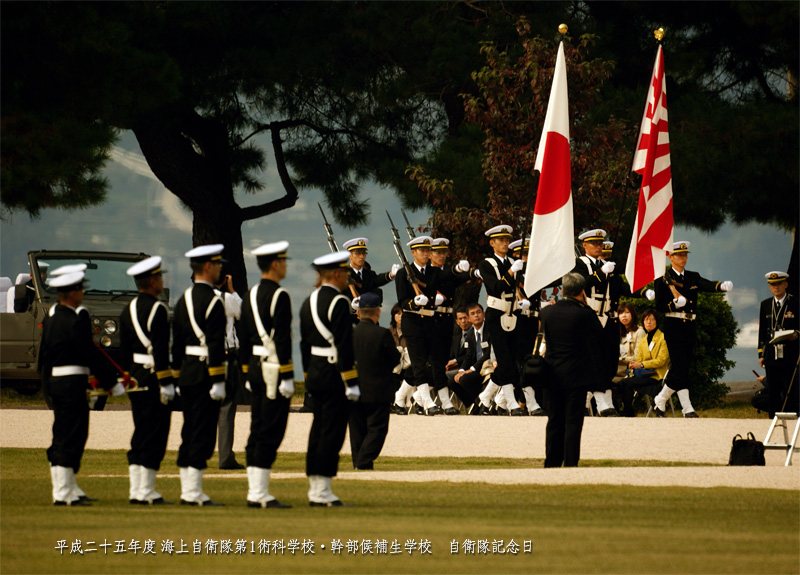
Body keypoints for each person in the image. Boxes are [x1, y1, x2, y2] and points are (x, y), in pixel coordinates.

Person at [39, 271, 124, 505]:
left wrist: (47, 387)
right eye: (80, 289)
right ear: (72, 293)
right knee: (71, 436)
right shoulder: (75, 319)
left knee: (67, 434)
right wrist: (111, 383)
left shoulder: (53, 317)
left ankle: (68, 487)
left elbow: (44, 356)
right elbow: (89, 353)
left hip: (59, 383)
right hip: (71, 384)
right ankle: (62, 493)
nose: (82, 294)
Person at [300, 250, 361, 506]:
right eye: (345, 273)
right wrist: (351, 382)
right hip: (334, 374)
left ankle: (316, 486)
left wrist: (307, 377)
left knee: (318, 430)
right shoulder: (339, 303)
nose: (347, 277)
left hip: (315, 372)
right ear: (336, 274)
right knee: (332, 432)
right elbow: (344, 346)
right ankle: (322, 490)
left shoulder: (308, 301)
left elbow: (304, 344)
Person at [238, 241, 294, 508]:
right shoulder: (279, 296)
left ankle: (255, 490)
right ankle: (259, 493)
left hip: (256, 366)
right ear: (275, 264)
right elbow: (282, 340)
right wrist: (286, 375)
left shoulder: (249, 294)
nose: (285, 265)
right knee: (271, 428)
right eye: (283, 261)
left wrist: (248, 370)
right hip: (273, 368)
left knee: (257, 427)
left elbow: (243, 336)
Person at [172, 244, 228, 506]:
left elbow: (177, 345)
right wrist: (218, 380)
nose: (219, 269)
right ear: (207, 267)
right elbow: (216, 344)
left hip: (187, 373)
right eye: (217, 265)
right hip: (206, 373)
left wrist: (176, 377)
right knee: (203, 433)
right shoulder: (213, 301)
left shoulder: (183, 299)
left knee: (189, 429)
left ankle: (188, 489)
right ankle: (192, 492)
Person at [651, 241, 733, 417]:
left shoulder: (692, 276)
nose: (683, 258)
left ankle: (665, 401)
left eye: (685, 254)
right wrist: (673, 303)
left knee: (683, 366)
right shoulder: (663, 277)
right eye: (679, 255)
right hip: (673, 324)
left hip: (689, 325)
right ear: (670, 257)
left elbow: (706, 284)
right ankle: (682, 406)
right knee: (679, 366)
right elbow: (659, 305)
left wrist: (721, 286)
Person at [119, 256, 174, 504]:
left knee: (141, 429)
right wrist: (166, 382)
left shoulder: (127, 308)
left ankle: (136, 489)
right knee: (155, 431)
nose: (162, 281)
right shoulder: (158, 309)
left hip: (135, 376)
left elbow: (123, 350)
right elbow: (161, 350)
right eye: (160, 277)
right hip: (153, 377)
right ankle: (146, 490)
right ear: (152, 281)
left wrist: (126, 375)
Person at [539, 272, 603, 467]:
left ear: (563, 290)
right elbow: (598, 339)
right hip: (576, 374)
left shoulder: (547, 312)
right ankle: (570, 461)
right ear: (582, 291)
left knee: (554, 420)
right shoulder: (585, 313)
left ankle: (552, 460)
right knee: (573, 421)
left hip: (553, 373)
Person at [477, 225, 527, 416]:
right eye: (501, 240)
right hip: (496, 314)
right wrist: (512, 272)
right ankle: (512, 403)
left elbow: (518, 288)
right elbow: (496, 287)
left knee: (512, 360)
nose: (505, 243)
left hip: (513, 313)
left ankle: (485, 397)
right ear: (492, 243)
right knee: (504, 360)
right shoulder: (486, 264)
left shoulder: (513, 262)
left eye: (507, 240)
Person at [393, 236, 445, 415]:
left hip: (429, 321)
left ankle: (400, 398)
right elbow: (402, 300)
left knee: (428, 361)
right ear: (413, 252)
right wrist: (414, 303)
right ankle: (427, 403)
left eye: (427, 250)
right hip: (413, 321)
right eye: (421, 250)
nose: (425, 253)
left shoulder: (433, 272)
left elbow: (440, 283)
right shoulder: (402, 274)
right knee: (418, 362)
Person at [349, 293, 401, 469]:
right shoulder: (382, 334)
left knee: (357, 430)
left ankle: (358, 462)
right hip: (378, 389)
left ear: (358, 313)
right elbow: (395, 360)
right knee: (377, 428)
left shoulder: (350, 335)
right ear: (377, 312)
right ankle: (363, 461)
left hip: (354, 388)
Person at [572, 229, 620, 416]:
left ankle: (589, 400)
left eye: (601, 243)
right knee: (592, 358)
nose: (599, 246)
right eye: (594, 243)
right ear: (585, 245)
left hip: (606, 315)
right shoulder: (579, 264)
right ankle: (602, 403)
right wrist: (601, 272)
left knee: (608, 358)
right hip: (588, 314)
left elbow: (617, 288)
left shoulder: (607, 264)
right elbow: (581, 283)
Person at [424, 237, 473, 415]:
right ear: (429, 254)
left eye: (444, 252)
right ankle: (445, 400)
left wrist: (473, 273)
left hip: (446, 319)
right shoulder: (427, 272)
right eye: (437, 252)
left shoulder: (447, 272)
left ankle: (404, 394)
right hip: (432, 318)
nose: (442, 255)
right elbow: (443, 277)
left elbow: (457, 279)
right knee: (436, 361)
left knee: (443, 359)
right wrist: (456, 269)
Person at [510, 238, 547, 416]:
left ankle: (500, 399)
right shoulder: (512, 273)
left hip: (533, 320)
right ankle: (528, 401)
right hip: (518, 320)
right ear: (515, 256)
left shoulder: (533, 275)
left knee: (529, 361)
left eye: (528, 254)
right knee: (521, 363)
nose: (526, 258)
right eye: (523, 254)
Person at [758, 271, 798, 417]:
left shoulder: (795, 303)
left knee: (789, 388)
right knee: (773, 390)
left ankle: (792, 418)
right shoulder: (765, 304)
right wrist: (761, 354)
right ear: (769, 286)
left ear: (785, 285)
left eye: (779, 284)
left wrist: (796, 335)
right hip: (771, 353)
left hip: (790, 353)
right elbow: (762, 331)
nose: (776, 287)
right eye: (773, 284)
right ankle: (773, 419)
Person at [215, 271, 245, 470]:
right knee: (226, 409)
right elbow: (242, 311)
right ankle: (225, 456)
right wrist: (232, 290)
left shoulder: (191, 298)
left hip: (198, 358)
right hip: (226, 356)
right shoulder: (226, 299)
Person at [619, 309, 670, 417]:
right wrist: (635, 363)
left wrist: (641, 364)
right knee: (623, 382)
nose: (649, 322)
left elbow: (661, 361)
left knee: (626, 382)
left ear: (657, 322)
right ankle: (627, 410)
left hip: (657, 376)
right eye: (646, 320)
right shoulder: (643, 341)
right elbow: (640, 359)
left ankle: (628, 412)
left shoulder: (663, 338)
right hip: (645, 374)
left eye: (652, 320)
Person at [451, 302, 492, 411]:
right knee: (453, 379)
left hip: (488, 367)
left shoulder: (490, 330)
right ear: (469, 318)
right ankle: (474, 404)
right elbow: (468, 356)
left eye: (478, 312)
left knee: (465, 379)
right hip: (476, 368)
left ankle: (479, 404)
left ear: (483, 314)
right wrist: (461, 370)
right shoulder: (470, 334)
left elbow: (488, 354)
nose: (476, 315)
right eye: (473, 314)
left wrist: (471, 369)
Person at [343, 237, 400, 308]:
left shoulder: (369, 274)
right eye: (357, 253)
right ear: (350, 255)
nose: (361, 256)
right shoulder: (344, 274)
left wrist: (391, 274)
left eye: (364, 253)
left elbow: (377, 280)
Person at [389, 304, 414, 414]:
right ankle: (395, 404)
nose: (401, 316)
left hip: (409, 365)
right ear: (393, 316)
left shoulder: (412, 331)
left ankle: (410, 403)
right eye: (398, 314)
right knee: (391, 375)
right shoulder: (388, 332)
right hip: (394, 365)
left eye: (403, 314)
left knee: (412, 373)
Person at [614, 302, 645, 386]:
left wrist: (619, 359)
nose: (624, 315)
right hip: (614, 369)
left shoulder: (639, 332)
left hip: (628, 371)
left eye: (627, 312)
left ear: (633, 314)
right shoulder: (616, 332)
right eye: (621, 313)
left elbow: (638, 357)